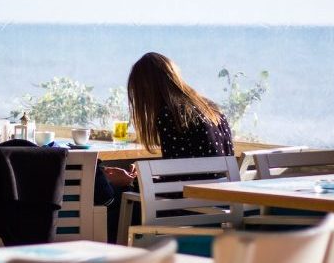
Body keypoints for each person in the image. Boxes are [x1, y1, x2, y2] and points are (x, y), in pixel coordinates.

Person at [98, 52, 235, 242]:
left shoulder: (172, 115)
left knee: (113, 202)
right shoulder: (211, 109)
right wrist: (145, 179)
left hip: (190, 208)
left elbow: (177, 183)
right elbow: (186, 170)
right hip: (221, 203)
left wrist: (130, 183)